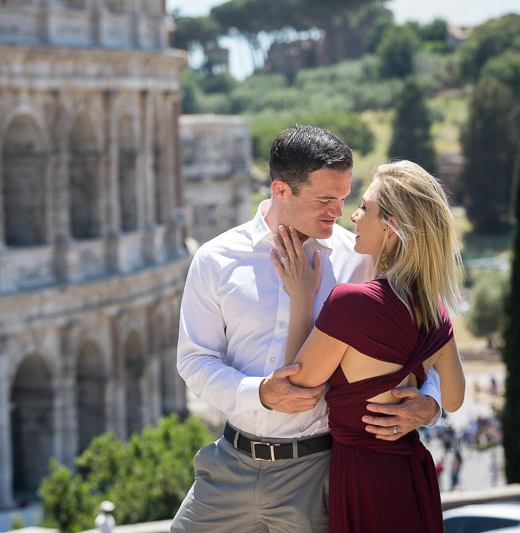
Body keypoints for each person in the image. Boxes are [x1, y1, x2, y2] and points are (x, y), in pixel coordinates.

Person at [172, 126, 444, 533]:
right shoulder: (216, 259)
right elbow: (195, 361)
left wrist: (430, 403)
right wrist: (260, 393)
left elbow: (432, 337)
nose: (339, 212)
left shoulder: (361, 262)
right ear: (281, 190)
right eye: (324, 199)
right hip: (229, 464)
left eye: (344, 198)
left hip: (319, 472)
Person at [274, 160, 465, 532]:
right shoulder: (435, 309)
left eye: (364, 207)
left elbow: (297, 385)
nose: (354, 216)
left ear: (391, 227)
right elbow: (454, 399)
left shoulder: (351, 304)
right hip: (412, 475)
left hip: (366, 480)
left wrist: (301, 297)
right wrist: (428, 407)